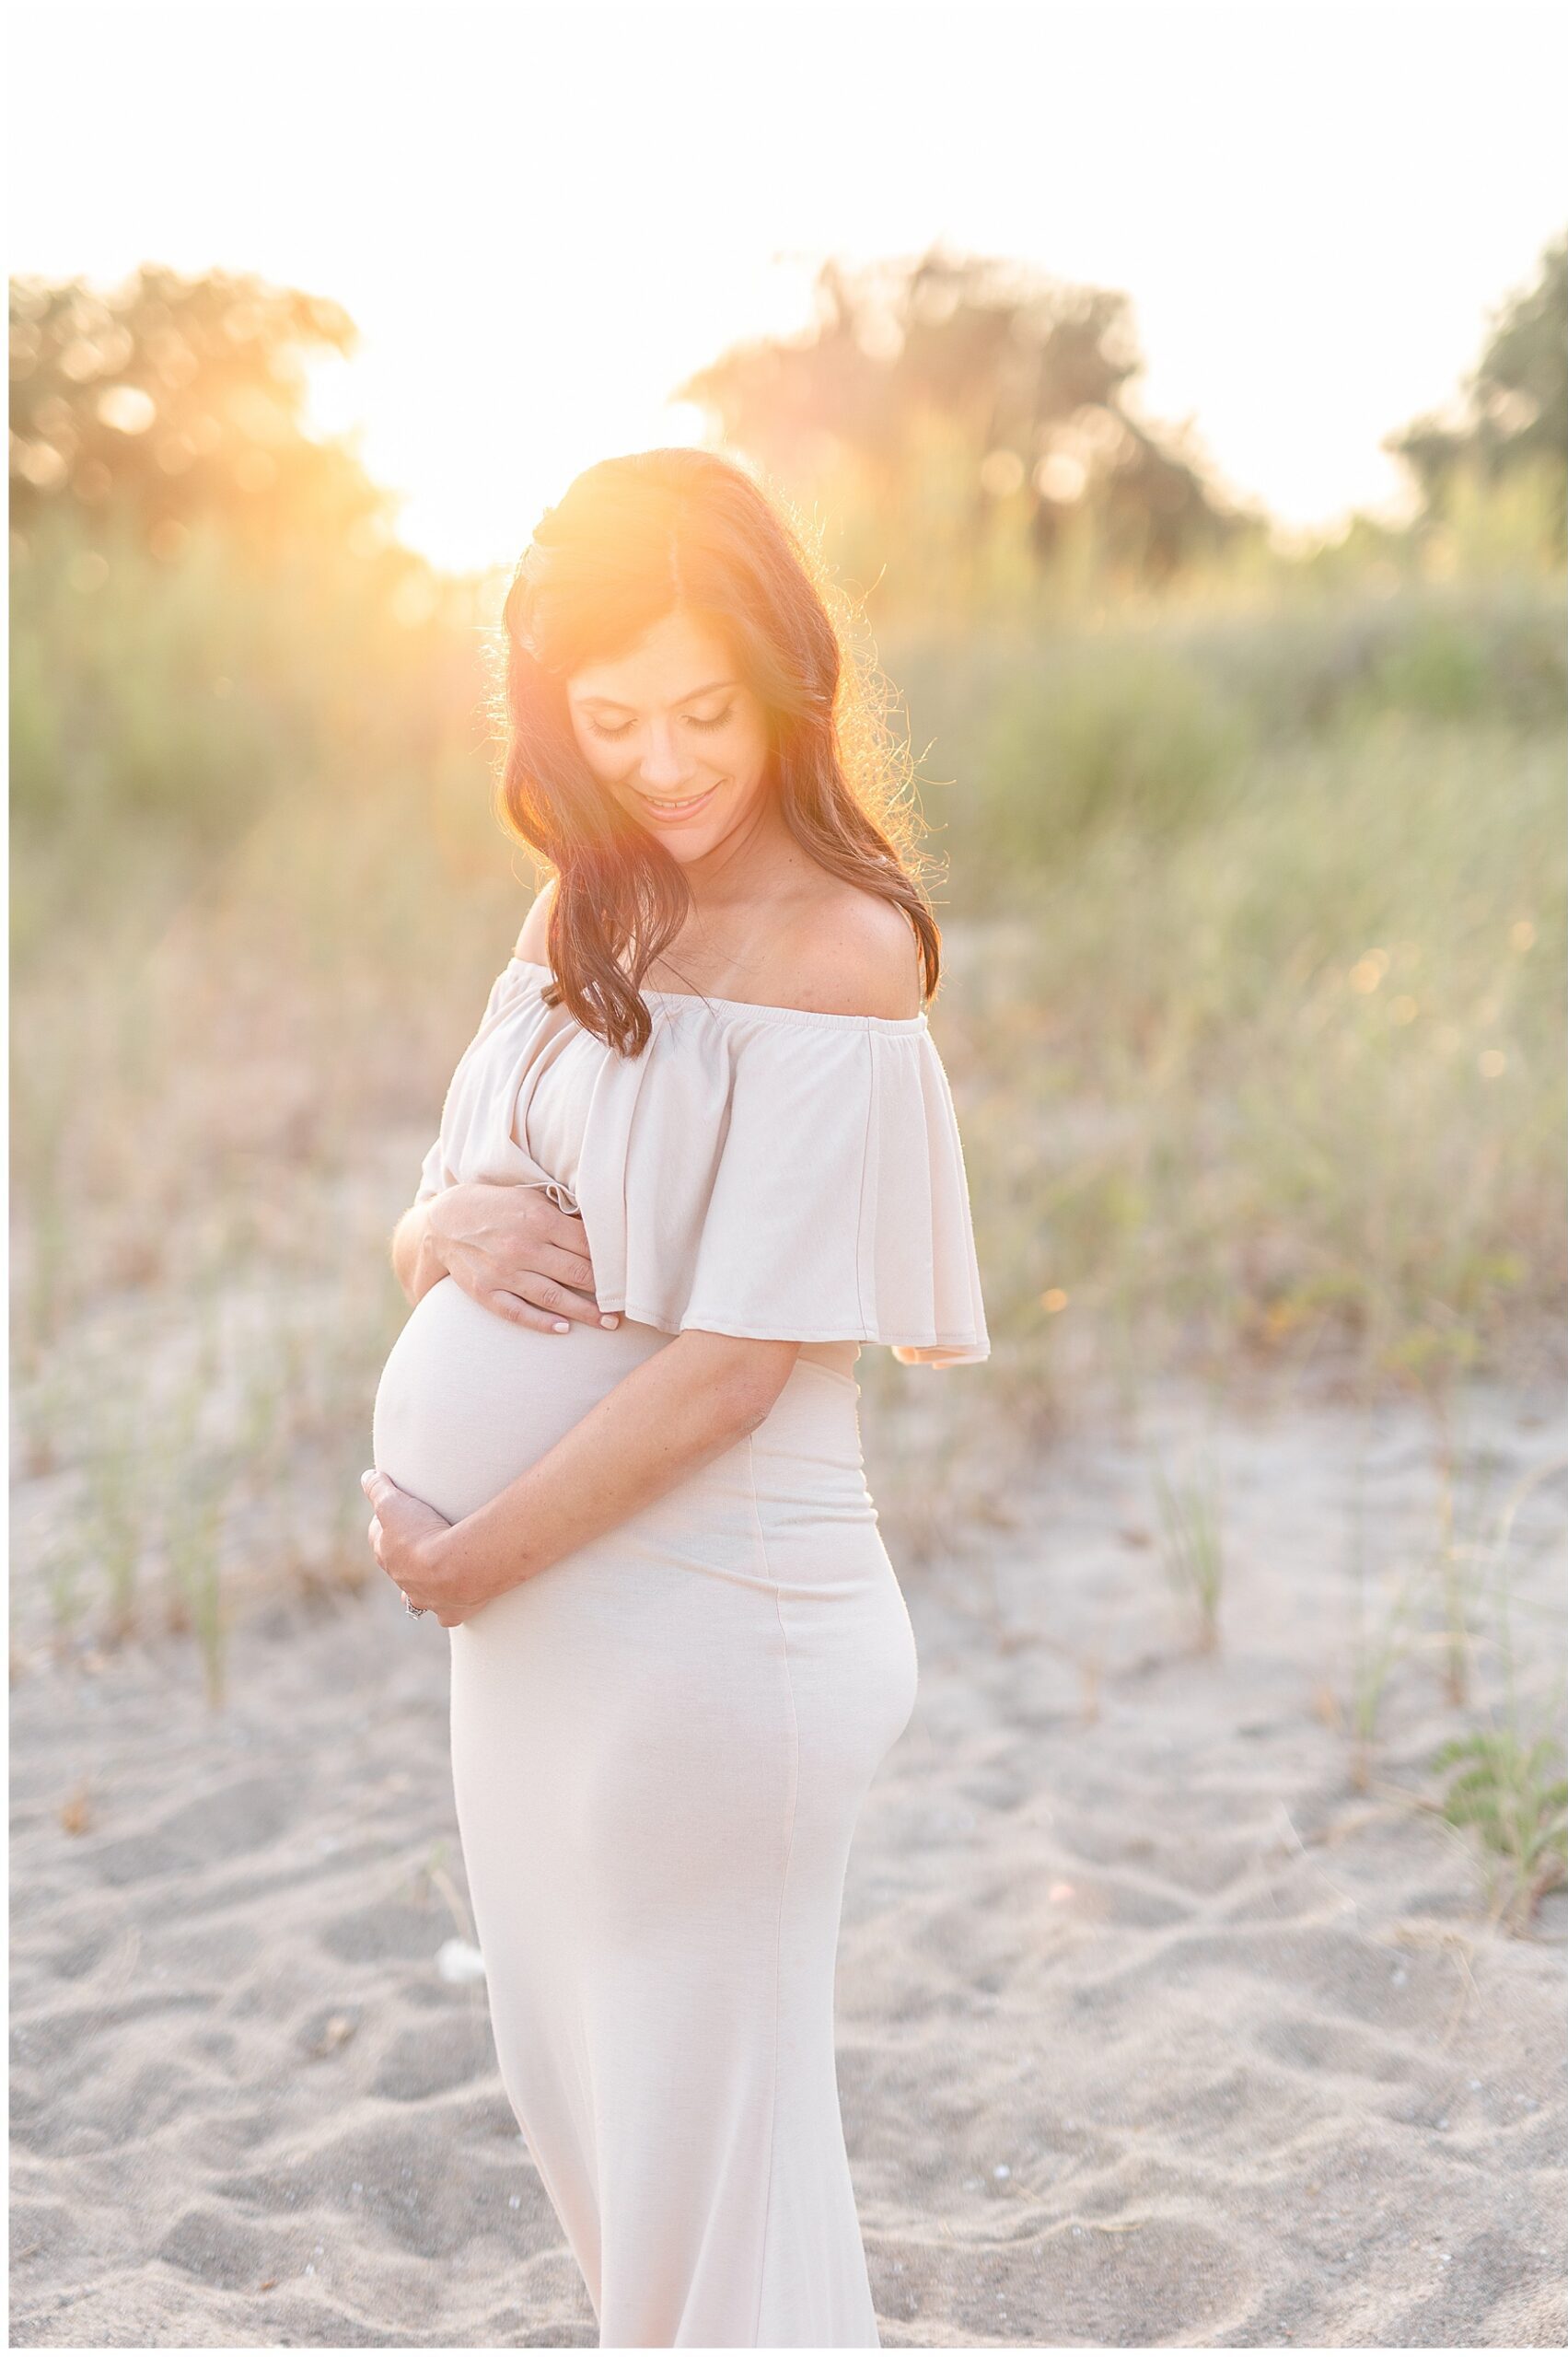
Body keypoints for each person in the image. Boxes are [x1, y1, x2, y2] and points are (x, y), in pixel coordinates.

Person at [363, 447, 989, 2348]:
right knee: (592, 2124)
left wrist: (471, 1554)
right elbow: (446, 1223)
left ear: (786, 676)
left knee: (708, 2174)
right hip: (546, 1637)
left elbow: (730, 1371)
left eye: (701, 709)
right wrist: (440, 1219)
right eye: (609, 719)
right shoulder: (588, 914)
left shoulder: (839, 952)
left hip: (713, 1631)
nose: (661, 759)